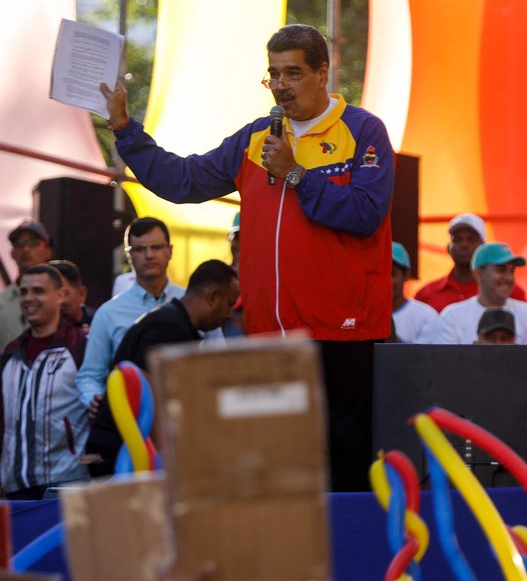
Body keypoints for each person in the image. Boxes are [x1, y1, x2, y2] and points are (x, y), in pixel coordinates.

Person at [99, 24, 394, 491]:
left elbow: (366, 213)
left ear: (323, 73)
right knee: (279, 482)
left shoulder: (362, 130)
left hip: (341, 337)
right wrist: (123, 129)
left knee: (343, 479)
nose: (280, 86)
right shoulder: (256, 138)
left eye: (292, 74)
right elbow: (182, 181)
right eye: (273, 75)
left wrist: (295, 174)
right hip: (268, 342)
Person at [85, 259, 240, 477]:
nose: (228, 315)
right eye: (229, 304)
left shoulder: (179, 325)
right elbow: (155, 409)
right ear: (213, 297)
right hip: (120, 460)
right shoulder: (168, 329)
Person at [0, 264, 90, 500]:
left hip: (66, 485)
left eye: (39, 291)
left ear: (60, 295)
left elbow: (97, 412)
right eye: (24, 292)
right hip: (14, 487)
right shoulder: (11, 352)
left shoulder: (80, 346)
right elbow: (0, 420)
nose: (29, 299)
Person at [76, 218, 185, 408]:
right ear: (129, 256)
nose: (149, 255)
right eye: (140, 249)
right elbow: (89, 376)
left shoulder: (190, 302)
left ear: (170, 251)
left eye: (156, 247)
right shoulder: (108, 314)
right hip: (131, 424)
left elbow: (215, 364)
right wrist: (96, 400)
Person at [421, 242, 527, 345]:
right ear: (478, 273)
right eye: (501, 269)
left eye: (512, 270)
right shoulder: (452, 317)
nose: (508, 278)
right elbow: (444, 368)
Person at [413, 213, 526, 313]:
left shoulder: (510, 291)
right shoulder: (426, 294)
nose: (464, 244)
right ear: (448, 248)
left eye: (471, 239)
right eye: (457, 239)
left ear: (483, 248)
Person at [0, 219, 54, 351]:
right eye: (19, 243)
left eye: (33, 242)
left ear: (47, 251)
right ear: (12, 253)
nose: (26, 249)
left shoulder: (58, 300)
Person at [390, 242, 437, 343]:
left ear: (406, 275)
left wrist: (395, 343)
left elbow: (427, 356)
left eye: (392, 274)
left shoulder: (426, 316)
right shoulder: (363, 315)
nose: (386, 281)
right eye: (381, 274)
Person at [48, 259, 95, 332]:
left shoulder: (100, 325)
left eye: (63, 294)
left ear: (82, 294)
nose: (58, 302)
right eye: (50, 295)